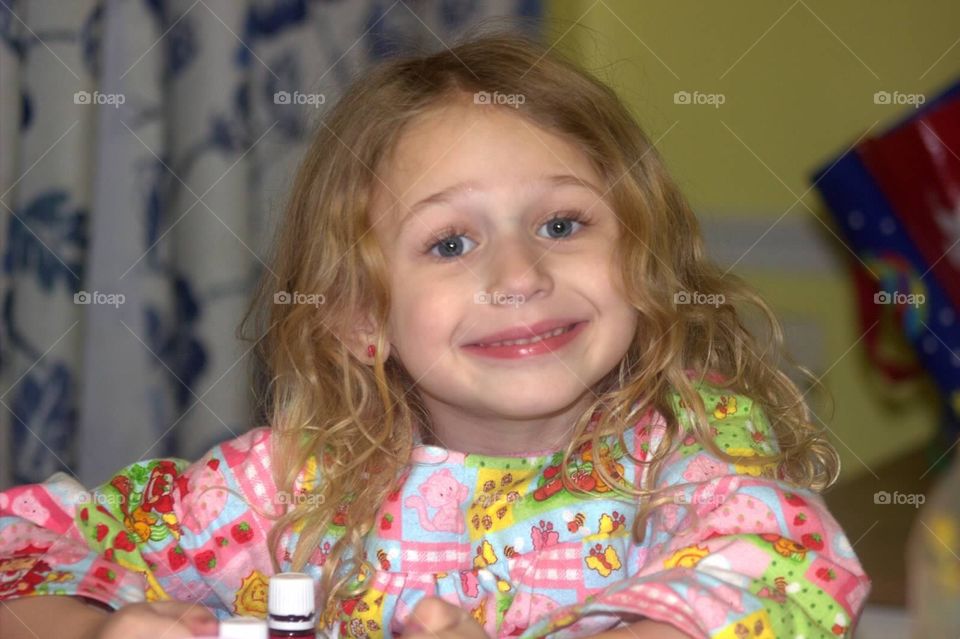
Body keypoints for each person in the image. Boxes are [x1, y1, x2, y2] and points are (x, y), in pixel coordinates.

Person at [0, 30, 870, 639]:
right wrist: (97, 630)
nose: (520, 275)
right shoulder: (287, 488)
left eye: (564, 223)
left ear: (643, 258)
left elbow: (782, 574)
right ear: (359, 314)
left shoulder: (693, 456)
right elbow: (24, 548)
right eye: (450, 242)